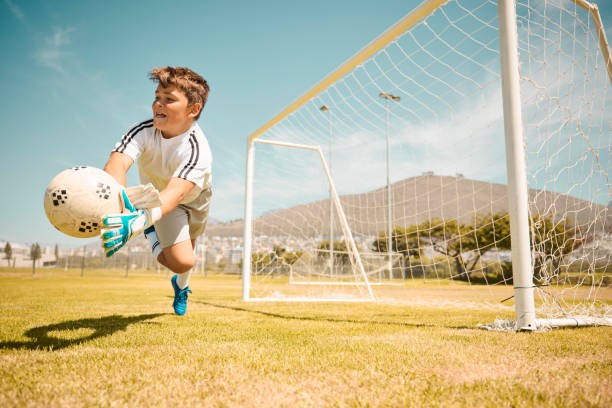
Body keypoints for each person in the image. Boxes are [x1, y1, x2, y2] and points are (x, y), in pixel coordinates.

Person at [101, 66, 212, 316]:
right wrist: (121, 209)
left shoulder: (197, 149)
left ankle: (181, 287)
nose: (158, 105)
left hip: (194, 197)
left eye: (169, 100)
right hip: (158, 199)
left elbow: (177, 193)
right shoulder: (142, 130)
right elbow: (117, 163)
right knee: (183, 261)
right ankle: (152, 234)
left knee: (188, 257)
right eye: (157, 97)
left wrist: (138, 221)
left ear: (193, 110)